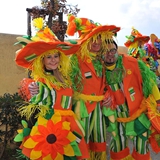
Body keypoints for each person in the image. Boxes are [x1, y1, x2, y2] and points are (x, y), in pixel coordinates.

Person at [25, 14, 120, 159]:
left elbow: (105, 83)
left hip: (95, 110)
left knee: (96, 143)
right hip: (77, 112)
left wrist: (107, 95)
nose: (96, 43)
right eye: (92, 39)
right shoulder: (75, 59)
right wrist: (33, 88)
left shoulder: (100, 61)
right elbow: (39, 86)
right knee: (77, 146)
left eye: (55, 56)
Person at [14, 17, 90, 160]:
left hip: (69, 123)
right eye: (48, 57)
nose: (53, 60)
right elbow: (34, 89)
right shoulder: (41, 79)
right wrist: (31, 89)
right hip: (51, 125)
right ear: (42, 60)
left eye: (55, 56)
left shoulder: (63, 77)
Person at [102, 38, 160, 159]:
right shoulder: (99, 69)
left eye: (112, 50)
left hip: (138, 112)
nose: (110, 54)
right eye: (105, 51)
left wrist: (158, 102)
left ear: (117, 51)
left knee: (142, 144)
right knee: (118, 146)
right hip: (117, 117)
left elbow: (149, 82)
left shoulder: (132, 62)